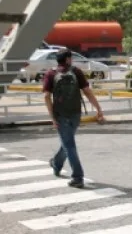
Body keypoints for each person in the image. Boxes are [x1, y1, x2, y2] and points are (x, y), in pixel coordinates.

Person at [43, 48, 104, 188]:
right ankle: (56, 163)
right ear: (68, 59)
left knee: (68, 144)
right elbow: (87, 91)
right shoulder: (76, 72)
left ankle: (77, 177)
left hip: (61, 115)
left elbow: (46, 96)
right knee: (68, 142)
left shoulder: (50, 74)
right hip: (76, 113)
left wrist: (52, 117)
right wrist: (98, 108)